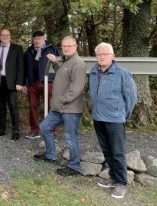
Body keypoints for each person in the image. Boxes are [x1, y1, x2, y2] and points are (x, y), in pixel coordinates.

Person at [89, 42, 137, 199]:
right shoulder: (94, 72)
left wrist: (123, 115)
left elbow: (131, 98)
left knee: (118, 152)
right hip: (98, 118)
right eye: (99, 54)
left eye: (105, 54)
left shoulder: (122, 73)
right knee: (107, 150)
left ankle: (121, 183)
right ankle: (113, 177)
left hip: (115, 120)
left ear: (112, 56)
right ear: (96, 57)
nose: (102, 57)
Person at [33, 36, 86, 177]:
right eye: (64, 46)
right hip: (59, 108)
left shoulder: (78, 63)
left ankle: (74, 167)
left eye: (69, 46)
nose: (67, 48)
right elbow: (62, 74)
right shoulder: (66, 61)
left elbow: (76, 88)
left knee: (70, 137)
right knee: (44, 127)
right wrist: (55, 63)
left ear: (76, 46)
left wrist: (62, 100)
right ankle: (51, 155)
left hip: (70, 109)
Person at [23, 30, 60, 139]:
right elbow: (24, 69)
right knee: (32, 107)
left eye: (40, 38)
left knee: (50, 106)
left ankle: (52, 131)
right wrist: (24, 83)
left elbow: (59, 65)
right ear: (33, 40)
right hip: (32, 83)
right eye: (35, 39)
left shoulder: (52, 49)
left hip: (48, 81)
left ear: (44, 38)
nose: (37, 41)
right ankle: (35, 130)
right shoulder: (29, 51)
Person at [0, 29, 24, 141]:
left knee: (13, 105)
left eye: (7, 35)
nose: (5, 37)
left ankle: (16, 131)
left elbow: (21, 67)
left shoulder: (17, 48)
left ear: (10, 36)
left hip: (12, 82)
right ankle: (2, 129)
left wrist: (20, 82)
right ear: (0, 36)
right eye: (3, 35)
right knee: (0, 106)